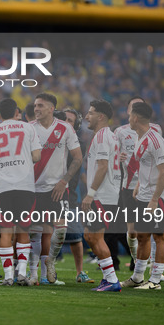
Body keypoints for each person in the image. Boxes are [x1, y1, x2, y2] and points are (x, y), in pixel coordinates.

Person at [0, 98, 42, 286]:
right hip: (25, 186)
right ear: (17, 112)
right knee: (24, 229)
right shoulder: (28, 128)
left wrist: (1, 166)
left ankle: (7, 276)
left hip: (3, 187)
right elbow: (37, 156)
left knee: (6, 231)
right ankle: (21, 274)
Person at [29, 93, 82, 285]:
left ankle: (50, 262)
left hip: (58, 189)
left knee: (60, 230)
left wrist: (64, 181)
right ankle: (35, 274)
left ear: (51, 109)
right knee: (38, 233)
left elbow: (77, 157)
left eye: (40, 106)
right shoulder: (29, 129)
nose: (36, 109)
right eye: (35, 105)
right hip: (34, 187)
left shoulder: (65, 128)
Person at [120, 102, 164, 290]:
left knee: (160, 236)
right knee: (142, 236)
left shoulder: (156, 140)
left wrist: (154, 199)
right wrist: (139, 185)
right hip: (143, 195)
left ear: (135, 117)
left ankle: (156, 280)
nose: (128, 119)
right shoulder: (140, 138)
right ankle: (137, 277)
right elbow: (145, 166)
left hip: (158, 198)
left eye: (129, 116)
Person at [114, 96, 163, 271]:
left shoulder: (155, 129)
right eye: (133, 106)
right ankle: (137, 261)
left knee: (152, 231)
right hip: (129, 185)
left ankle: (149, 267)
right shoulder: (120, 132)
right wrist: (117, 157)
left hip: (148, 186)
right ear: (128, 111)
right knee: (132, 231)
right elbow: (113, 154)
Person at [82, 100, 121, 292]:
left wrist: (90, 194)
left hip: (102, 195)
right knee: (91, 236)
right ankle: (109, 279)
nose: (86, 117)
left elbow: (103, 166)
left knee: (94, 236)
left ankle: (112, 280)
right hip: (106, 194)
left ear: (101, 116)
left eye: (90, 113)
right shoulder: (109, 136)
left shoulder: (102, 136)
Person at [63, 107, 94, 283]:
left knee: (75, 235)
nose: (67, 123)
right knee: (41, 234)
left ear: (76, 126)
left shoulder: (79, 145)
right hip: (45, 192)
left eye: (70, 121)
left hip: (70, 195)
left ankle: (79, 272)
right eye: (64, 119)